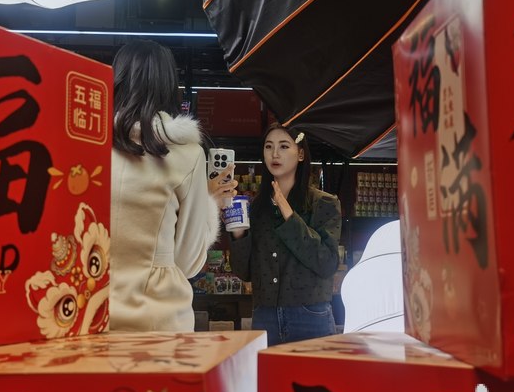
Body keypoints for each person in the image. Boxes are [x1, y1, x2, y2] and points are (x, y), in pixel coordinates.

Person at [109, 40, 237, 332]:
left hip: (90, 310)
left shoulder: (86, 144)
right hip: (159, 318)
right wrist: (209, 204)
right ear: (168, 85)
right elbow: (187, 262)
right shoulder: (187, 154)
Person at [229, 123, 342, 345]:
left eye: (283, 146)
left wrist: (288, 213)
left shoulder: (324, 203)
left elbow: (327, 263)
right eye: (268, 146)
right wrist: (238, 235)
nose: (274, 154)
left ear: (300, 154)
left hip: (311, 315)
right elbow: (244, 272)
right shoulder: (256, 208)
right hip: (265, 316)